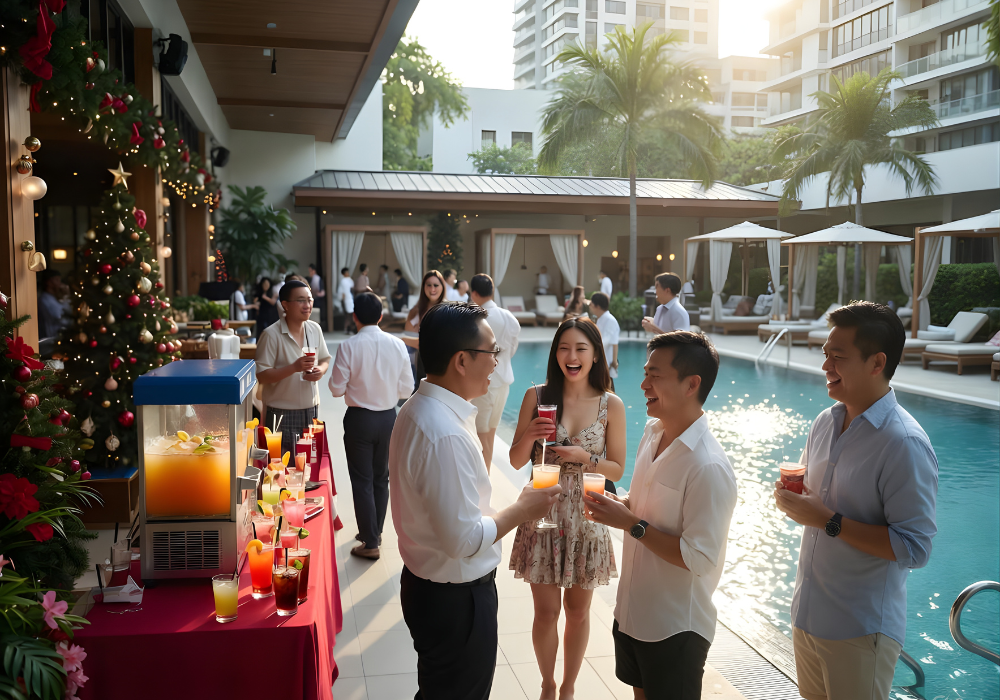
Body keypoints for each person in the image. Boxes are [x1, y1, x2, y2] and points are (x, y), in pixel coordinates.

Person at [389, 302, 562, 700]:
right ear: (462, 360)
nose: (498, 364)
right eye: (492, 353)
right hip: (455, 600)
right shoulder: (443, 431)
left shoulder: (420, 409)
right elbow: (463, 540)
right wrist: (523, 508)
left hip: (428, 586)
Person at [773, 302, 938, 700]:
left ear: (876, 362)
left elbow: (914, 549)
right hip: (808, 617)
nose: (826, 364)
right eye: (826, 354)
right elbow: (817, 503)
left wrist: (828, 520)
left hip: (859, 630)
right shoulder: (825, 422)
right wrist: (796, 502)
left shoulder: (904, 444)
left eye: (839, 356)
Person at [587, 331, 738, 700]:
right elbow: (642, 508)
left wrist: (631, 524)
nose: (643, 384)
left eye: (655, 375)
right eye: (645, 372)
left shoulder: (708, 466)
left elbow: (699, 558)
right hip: (633, 613)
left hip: (675, 629)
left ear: (692, 384)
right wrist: (619, 505)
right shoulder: (653, 435)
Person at [508, 317, 626, 700]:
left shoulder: (612, 404)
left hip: (588, 516)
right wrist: (529, 434)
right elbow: (514, 461)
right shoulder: (537, 396)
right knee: (546, 613)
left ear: (595, 355)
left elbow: (618, 468)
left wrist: (585, 457)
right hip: (543, 510)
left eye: (580, 349)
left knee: (578, 612)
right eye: (563, 348)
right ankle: (546, 684)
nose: (571, 356)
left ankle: (569, 688)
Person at [329, 292, 412, 561]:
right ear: (381, 316)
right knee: (381, 478)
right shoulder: (397, 344)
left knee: (362, 480)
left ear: (354, 317)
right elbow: (407, 388)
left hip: (359, 420)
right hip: (389, 418)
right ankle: (373, 531)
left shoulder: (348, 346)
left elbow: (335, 389)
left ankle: (370, 541)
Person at [255, 280, 331, 457]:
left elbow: (325, 359)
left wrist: (321, 369)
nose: (307, 305)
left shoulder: (315, 329)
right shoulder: (271, 335)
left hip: (310, 409)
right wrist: (293, 367)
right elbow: (262, 375)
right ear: (285, 305)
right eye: (301, 300)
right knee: (279, 468)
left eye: (309, 300)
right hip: (280, 412)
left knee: (308, 467)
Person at [469, 274, 521, 471]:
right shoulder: (510, 318)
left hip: (484, 383)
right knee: (490, 434)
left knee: (481, 437)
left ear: (474, 293)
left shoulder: (476, 318)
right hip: (504, 382)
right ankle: (486, 481)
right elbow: (511, 350)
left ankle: (482, 485)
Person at [402, 270, 447, 390]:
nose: (432, 289)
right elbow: (409, 335)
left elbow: (428, 343)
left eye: (436, 285)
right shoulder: (415, 310)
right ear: (423, 287)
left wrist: (400, 339)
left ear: (442, 287)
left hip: (439, 367)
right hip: (415, 365)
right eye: (429, 285)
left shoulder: (448, 310)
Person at [590, 292, 619, 388]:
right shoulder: (601, 319)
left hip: (606, 363)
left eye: (591, 304)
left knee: (607, 391)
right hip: (600, 362)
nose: (590, 306)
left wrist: (614, 362)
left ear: (597, 306)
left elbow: (612, 342)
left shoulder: (610, 320)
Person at [37, 270, 70, 339]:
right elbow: (62, 318)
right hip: (51, 341)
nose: (60, 284)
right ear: (49, 282)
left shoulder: (53, 298)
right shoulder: (45, 299)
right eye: (57, 280)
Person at [338, 267, 356, 334]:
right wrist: (342, 301)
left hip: (350, 299)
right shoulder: (344, 281)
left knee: (350, 315)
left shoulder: (349, 280)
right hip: (347, 299)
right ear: (344, 273)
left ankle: (350, 328)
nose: (347, 273)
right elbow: (342, 292)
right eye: (346, 272)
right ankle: (347, 328)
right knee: (348, 315)